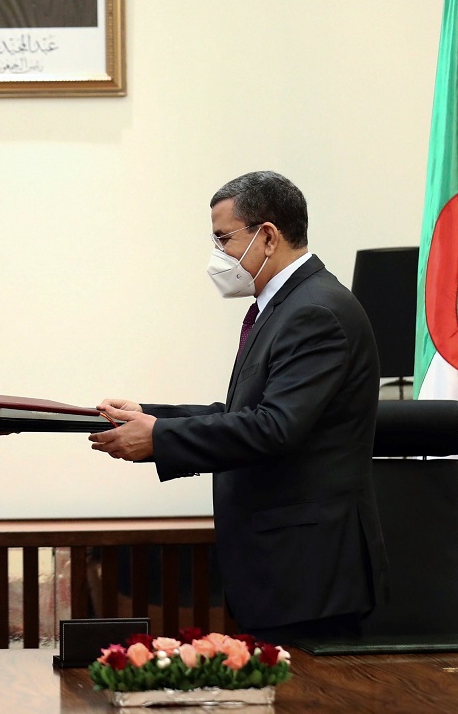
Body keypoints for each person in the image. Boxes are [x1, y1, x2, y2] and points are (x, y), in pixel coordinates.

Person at [89, 171, 388, 643]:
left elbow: (274, 427)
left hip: (310, 574)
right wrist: (152, 414)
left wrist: (159, 438)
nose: (218, 256)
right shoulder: (285, 305)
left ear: (267, 236)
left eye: (224, 238)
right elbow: (240, 411)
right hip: (284, 569)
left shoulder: (316, 311)